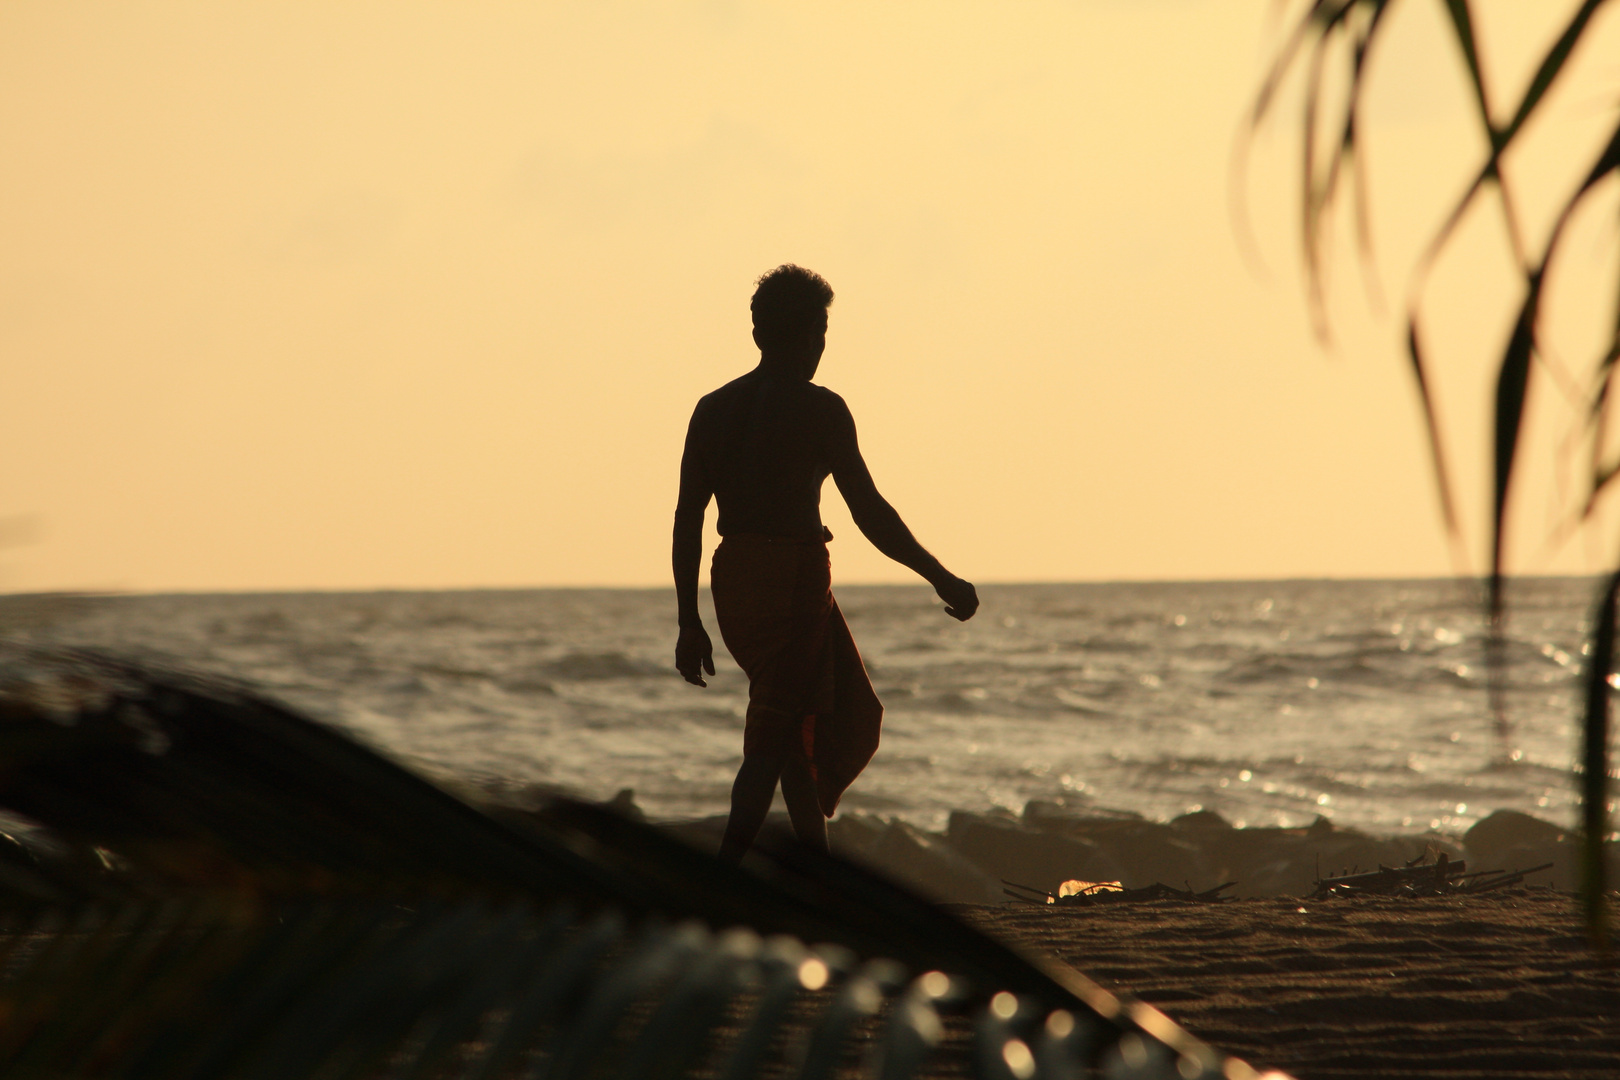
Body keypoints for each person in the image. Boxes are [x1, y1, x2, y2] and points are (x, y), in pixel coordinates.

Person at [672, 264, 978, 864]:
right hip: (794, 583)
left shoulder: (712, 409)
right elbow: (869, 513)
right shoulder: (821, 410)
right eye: (821, 332)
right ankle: (722, 876)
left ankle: (818, 878)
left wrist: (689, 620)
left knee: (791, 729)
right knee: (772, 732)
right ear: (813, 334)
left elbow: (687, 521)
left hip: (734, 580)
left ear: (759, 333)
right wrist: (939, 575)